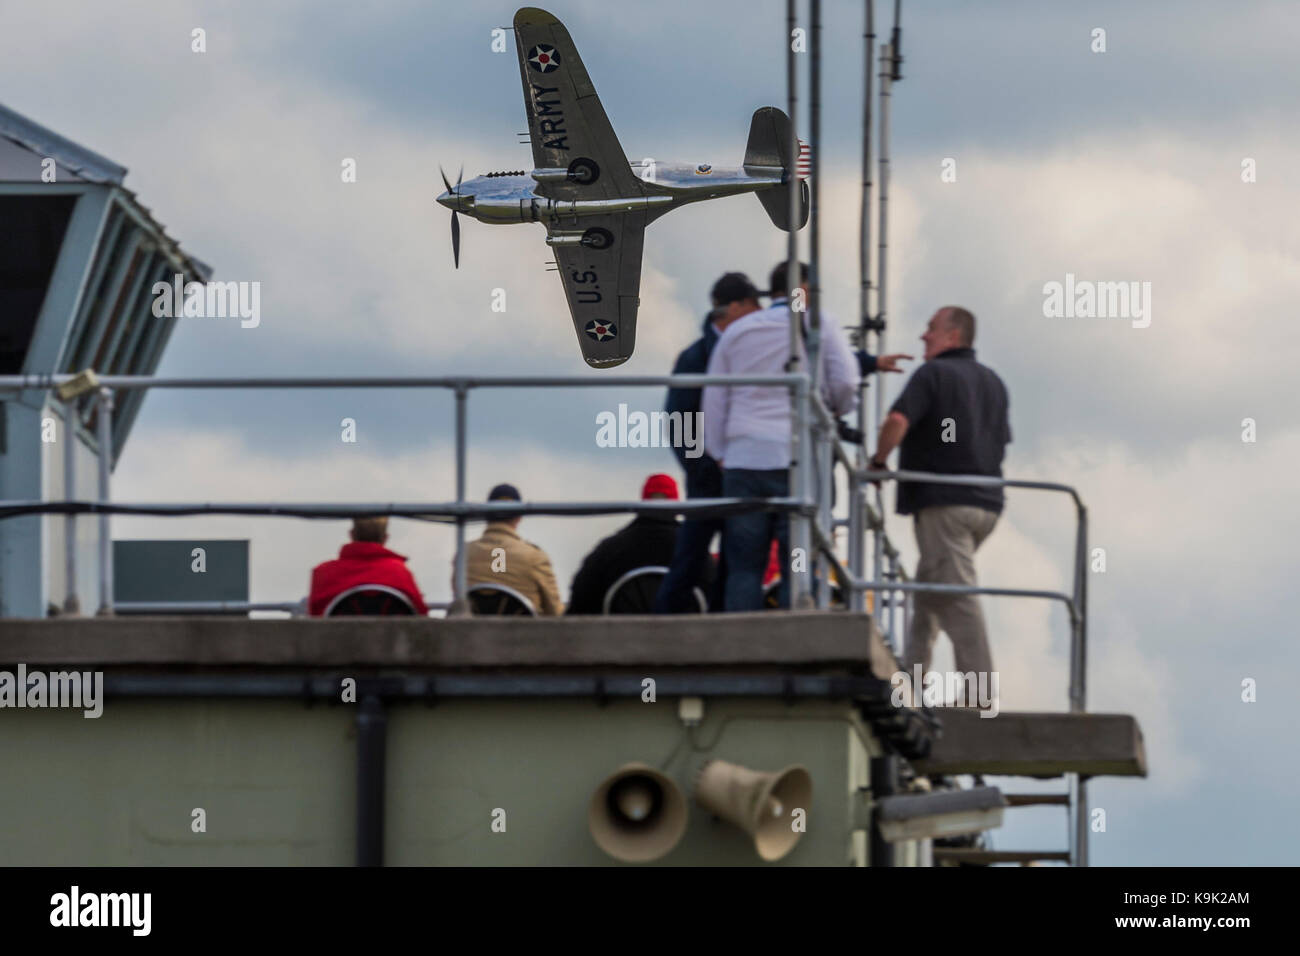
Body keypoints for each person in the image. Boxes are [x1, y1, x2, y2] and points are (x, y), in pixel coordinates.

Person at [701, 262, 864, 611]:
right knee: (799, 565)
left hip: (744, 462)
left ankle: (741, 652)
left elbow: (714, 399)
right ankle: (791, 645)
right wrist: (835, 409)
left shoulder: (737, 331)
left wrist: (721, 453)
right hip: (799, 462)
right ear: (803, 289)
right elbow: (847, 383)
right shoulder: (816, 323)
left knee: (744, 566)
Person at [869, 306, 1011, 683]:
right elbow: (1000, 441)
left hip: (945, 504)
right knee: (928, 595)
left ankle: (979, 689)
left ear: (953, 336)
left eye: (931, 329)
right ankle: (912, 681)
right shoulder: (994, 382)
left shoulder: (933, 374)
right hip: (987, 506)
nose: (923, 336)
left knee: (956, 594)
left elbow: (897, 421)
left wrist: (879, 462)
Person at [653, 273, 762, 613]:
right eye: (752, 307)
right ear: (734, 307)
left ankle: (718, 628)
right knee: (689, 559)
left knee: (733, 561)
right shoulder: (696, 358)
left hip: (739, 476)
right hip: (709, 481)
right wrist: (702, 467)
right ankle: (662, 630)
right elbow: (679, 419)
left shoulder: (737, 352)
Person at [568, 474, 692, 614]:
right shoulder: (693, 551)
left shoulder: (609, 549)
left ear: (643, 503)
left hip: (618, 635)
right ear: (677, 505)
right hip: (684, 634)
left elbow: (580, 596)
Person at [463, 483, 564, 615]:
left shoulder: (463, 555)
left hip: (472, 635)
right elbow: (555, 613)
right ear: (519, 516)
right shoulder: (534, 557)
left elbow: (459, 602)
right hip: (523, 635)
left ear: (487, 513)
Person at [308, 516, 428, 616]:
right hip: (391, 644)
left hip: (336, 643)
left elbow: (314, 618)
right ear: (385, 538)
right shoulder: (400, 573)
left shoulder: (323, 573)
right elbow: (421, 617)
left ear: (351, 535)